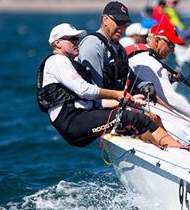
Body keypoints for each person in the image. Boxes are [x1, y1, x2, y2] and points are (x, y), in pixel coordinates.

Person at [37, 23, 180, 148]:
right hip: (71, 122)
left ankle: (165, 148)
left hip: (82, 116)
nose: (76, 42)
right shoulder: (56, 61)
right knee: (131, 117)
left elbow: (97, 101)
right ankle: (176, 149)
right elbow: (85, 91)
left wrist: (128, 100)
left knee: (148, 117)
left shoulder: (71, 64)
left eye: (77, 39)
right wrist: (117, 95)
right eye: (72, 39)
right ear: (57, 43)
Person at [128, 19, 190, 135]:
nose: (173, 50)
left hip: (127, 108)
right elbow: (170, 98)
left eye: (175, 45)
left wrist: (170, 79)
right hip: (133, 113)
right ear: (156, 41)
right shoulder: (152, 63)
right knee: (182, 129)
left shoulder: (140, 54)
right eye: (170, 44)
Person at [78, 1, 131, 91]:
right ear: (105, 19)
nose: (122, 29)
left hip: (114, 101)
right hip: (96, 103)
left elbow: (129, 75)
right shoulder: (92, 45)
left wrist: (144, 86)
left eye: (125, 25)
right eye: (119, 23)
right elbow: (94, 90)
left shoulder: (121, 50)